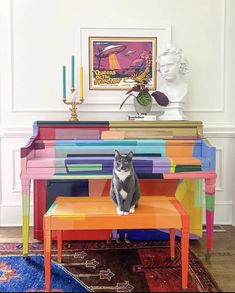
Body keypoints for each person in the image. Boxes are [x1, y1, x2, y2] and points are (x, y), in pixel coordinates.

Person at [157, 45, 189, 120]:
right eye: (162, 66)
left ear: (180, 65)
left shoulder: (184, 88)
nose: (165, 70)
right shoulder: (160, 90)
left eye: (170, 65)